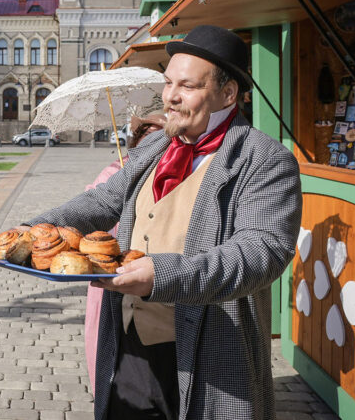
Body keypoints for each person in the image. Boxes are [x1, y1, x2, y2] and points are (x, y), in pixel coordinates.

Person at [22, 25, 302, 419]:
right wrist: (32, 229)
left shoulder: (264, 159)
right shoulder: (157, 145)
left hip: (211, 349)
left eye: (187, 86)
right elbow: (102, 200)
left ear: (227, 93)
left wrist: (161, 275)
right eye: (169, 82)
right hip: (131, 341)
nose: (170, 96)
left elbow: (261, 253)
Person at [84, 111, 166, 395]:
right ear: (136, 141)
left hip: (158, 290)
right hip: (112, 280)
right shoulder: (113, 173)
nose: (155, 142)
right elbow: (94, 220)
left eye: (162, 136)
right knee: (111, 353)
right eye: (148, 135)